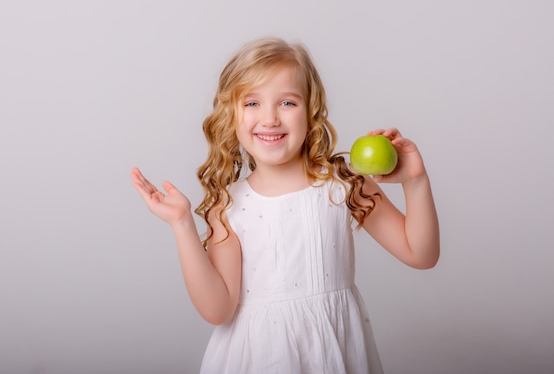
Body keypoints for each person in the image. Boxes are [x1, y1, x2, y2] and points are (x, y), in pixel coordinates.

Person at [131, 37, 440, 374]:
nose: (270, 119)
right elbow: (217, 309)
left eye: (287, 103)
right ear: (231, 115)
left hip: (334, 354)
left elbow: (420, 254)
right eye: (251, 103)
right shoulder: (230, 205)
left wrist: (415, 180)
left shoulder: (344, 183)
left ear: (311, 111)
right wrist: (182, 224)